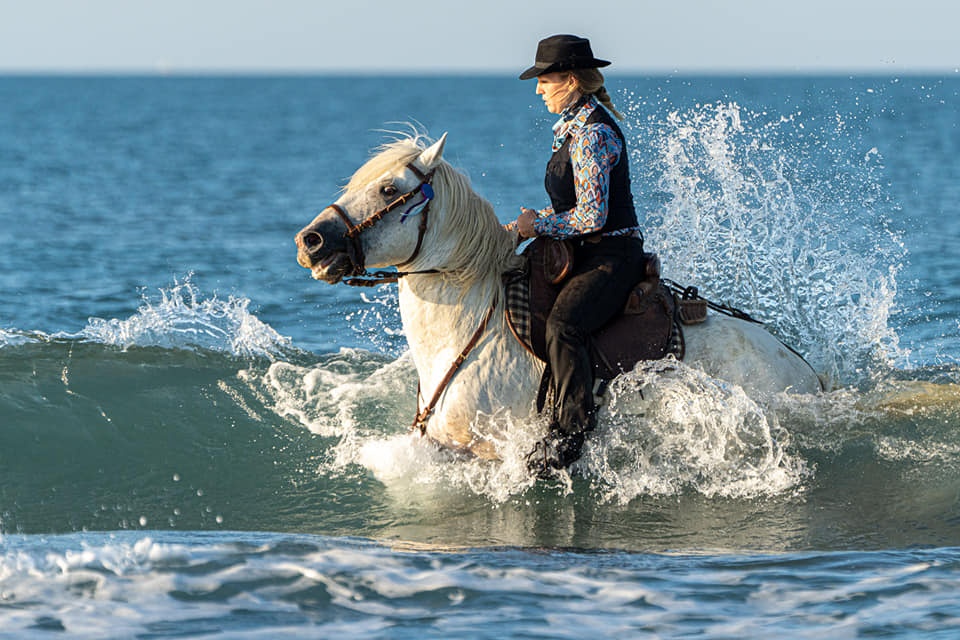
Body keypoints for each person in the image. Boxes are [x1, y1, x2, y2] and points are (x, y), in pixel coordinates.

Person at [509, 34, 647, 474]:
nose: (538, 89)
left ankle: (569, 438)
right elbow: (575, 206)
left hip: (612, 255)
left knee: (564, 326)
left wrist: (538, 226)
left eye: (544, 80)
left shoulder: (590, 134)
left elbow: (590, 217)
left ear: (570, 80)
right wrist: (521, 228)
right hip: (587, 251)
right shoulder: (572, 127)